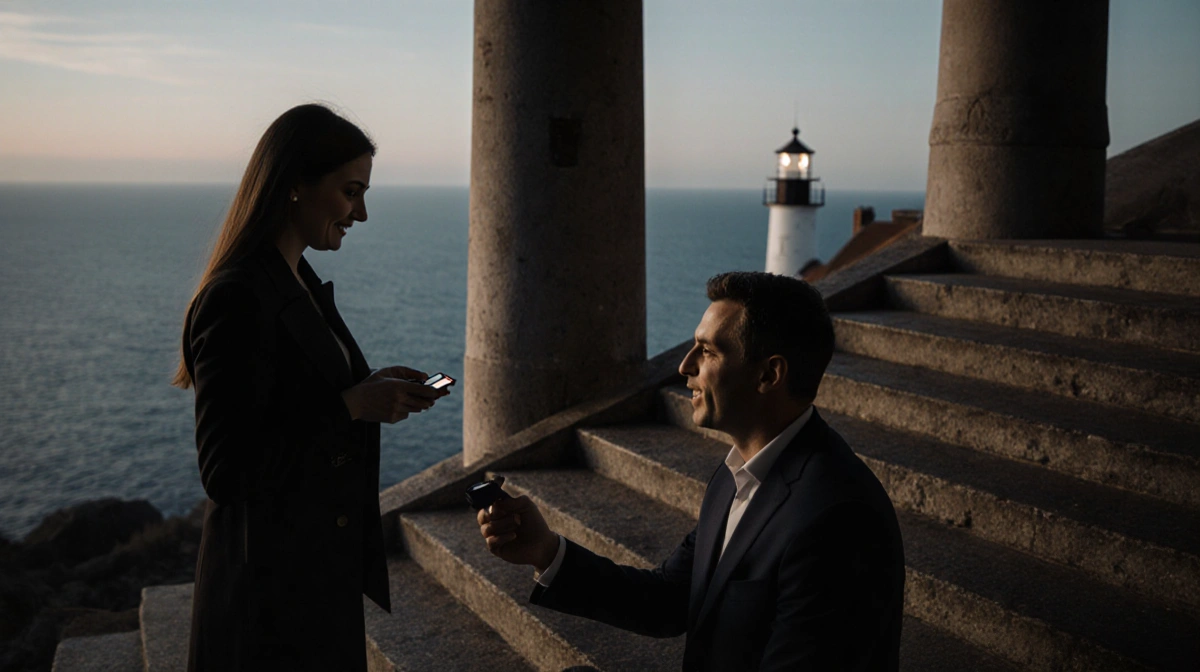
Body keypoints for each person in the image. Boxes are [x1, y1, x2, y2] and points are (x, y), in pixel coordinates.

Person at [478, 271, 905, 671]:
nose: (684, 366)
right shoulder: (737, 474)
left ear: (768, 375)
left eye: (708, 351)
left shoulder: (838, 519)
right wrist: (545, 551)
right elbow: (670, 598)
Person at [173, 104, 449, 671]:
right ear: (295, 184)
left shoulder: (294, 279)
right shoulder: (236, 296)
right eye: (351, 192)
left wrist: (368, 389)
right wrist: (350, 405)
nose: (361, 213)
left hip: (310, 583)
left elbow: (299, 399)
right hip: (266, 605)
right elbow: (225, 471)